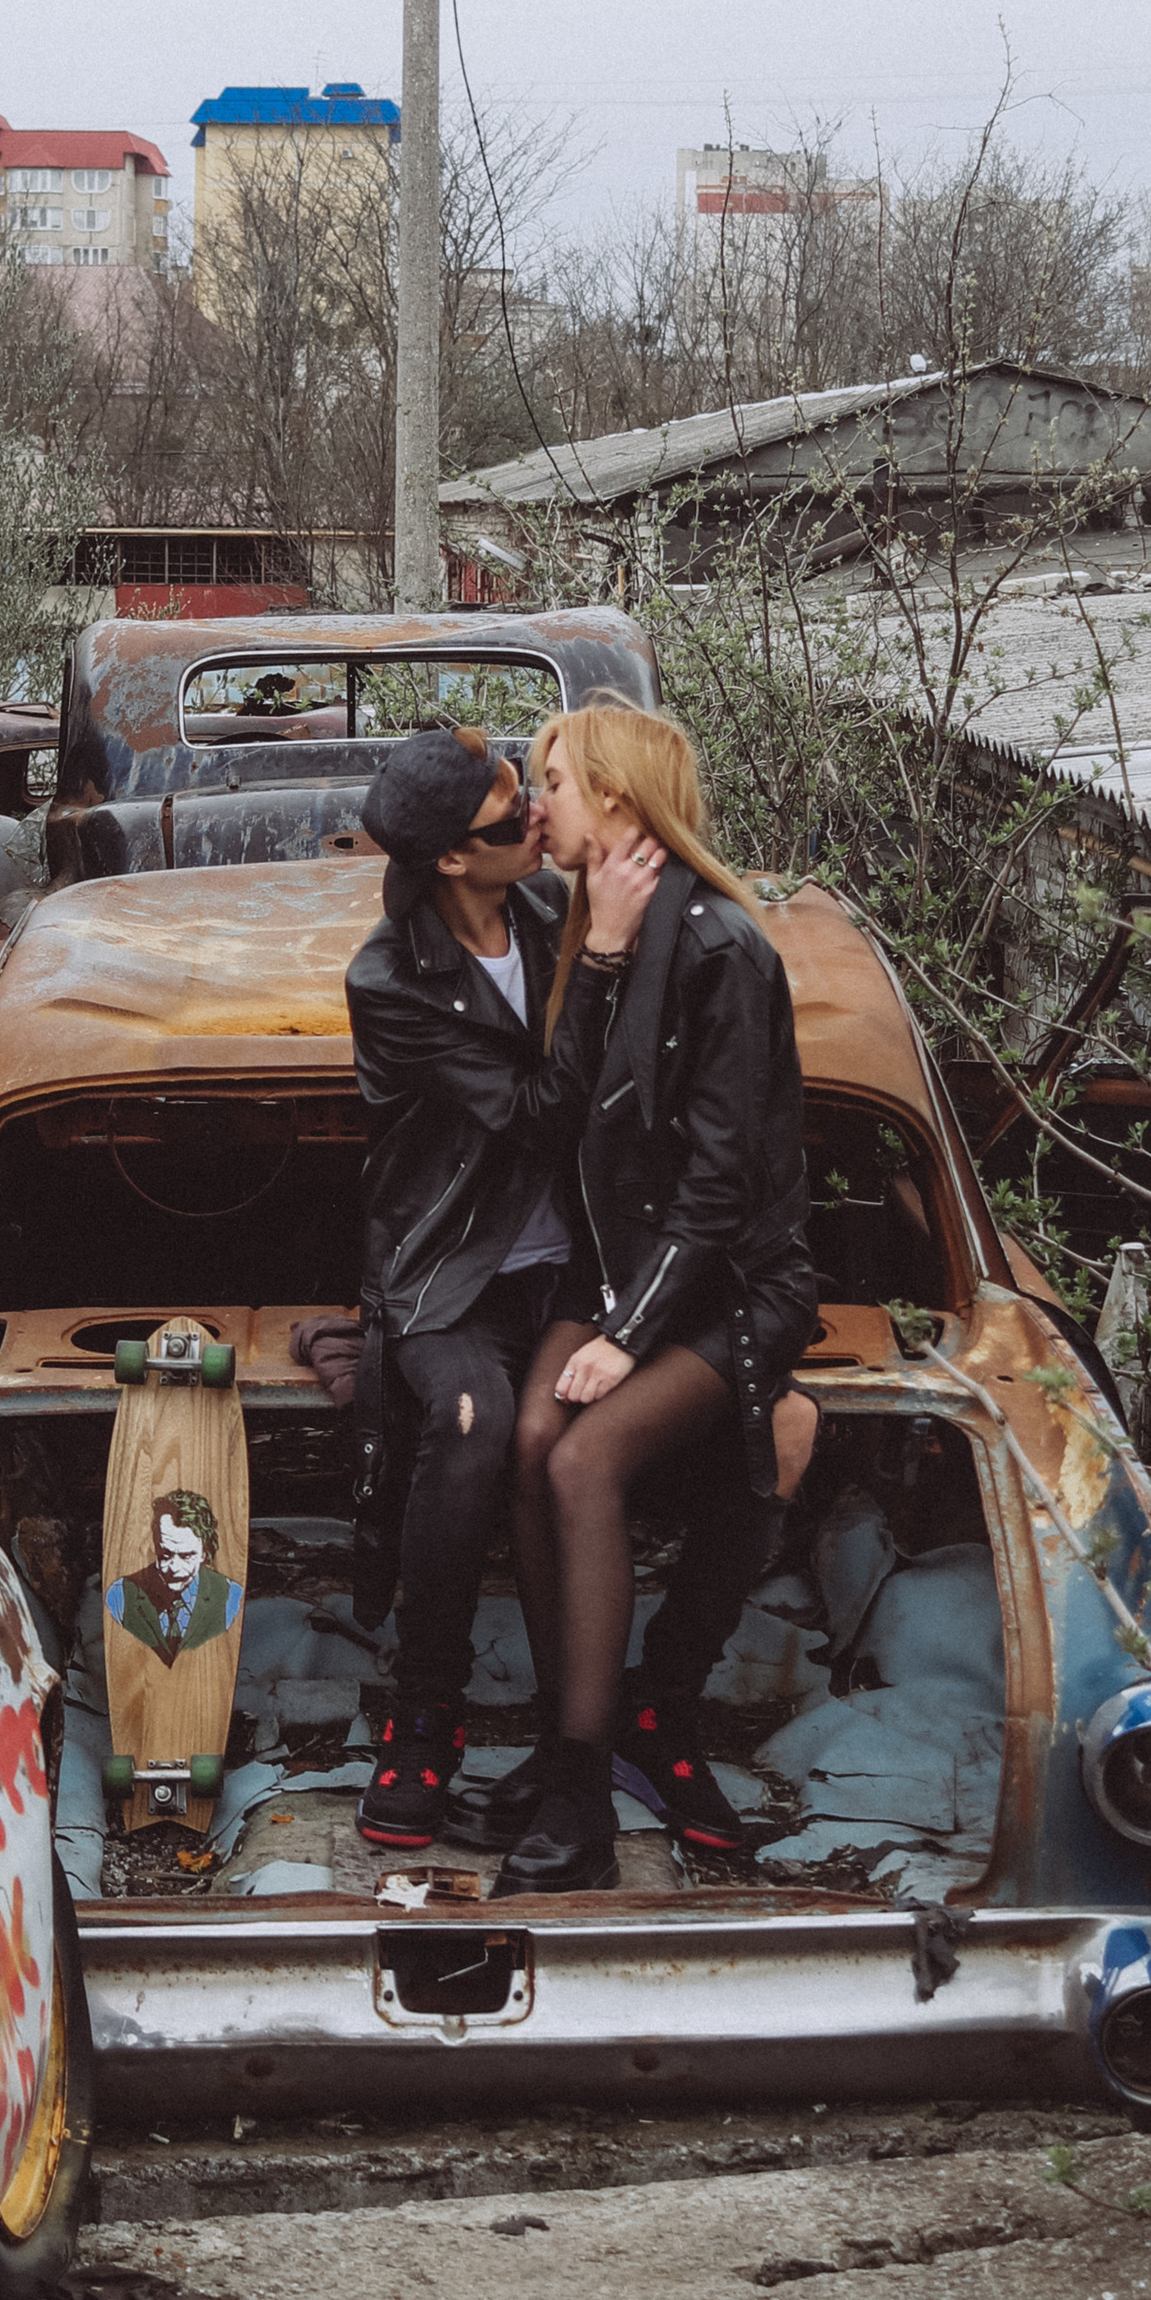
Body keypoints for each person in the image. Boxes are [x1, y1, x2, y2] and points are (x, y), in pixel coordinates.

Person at [467, 699, 817, 1897]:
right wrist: (604, 959)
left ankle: (578, 1794)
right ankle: (578, 1734)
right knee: (527, 1437)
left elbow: (719, 1183)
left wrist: (625, 1337)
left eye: (554, 781)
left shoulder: (725, 948)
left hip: (730, 1284)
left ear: (616, 796)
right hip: (622, 1264)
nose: (536, 805)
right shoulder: (593, 920)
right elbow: (565, 1116)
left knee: (581, 1459)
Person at [344, 725, 665, 1849]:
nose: (535, 814)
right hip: (451, 1272)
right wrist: (606, 957)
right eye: (507, 813)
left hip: (578, 1268)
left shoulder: (542, 906)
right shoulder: (390, 979)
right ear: (448, 858)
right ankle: (426, 1712)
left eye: (531, 789)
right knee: (473, 1420)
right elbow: (538, 1114)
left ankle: (601, 1725)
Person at [106, 1489, 239, 1665]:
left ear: (204, 1552)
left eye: (186, 1556)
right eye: (165, 1554)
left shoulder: (230, 1596)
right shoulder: (120, 1595)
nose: (174, 1568)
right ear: (155, 1544)